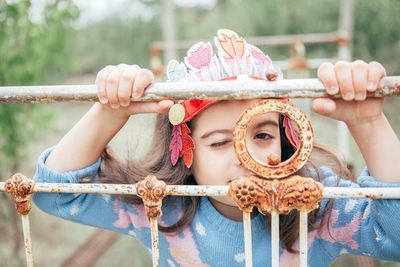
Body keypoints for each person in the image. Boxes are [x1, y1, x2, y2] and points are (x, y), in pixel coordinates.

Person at [32, 29, 400, 266]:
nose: (248, 157)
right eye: (221, 141)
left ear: (288, 140)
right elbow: (56, 195)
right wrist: (108, 112)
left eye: (263, 135)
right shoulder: (160, 207)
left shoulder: (315, 208)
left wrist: (368, 124)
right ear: (185, 152)